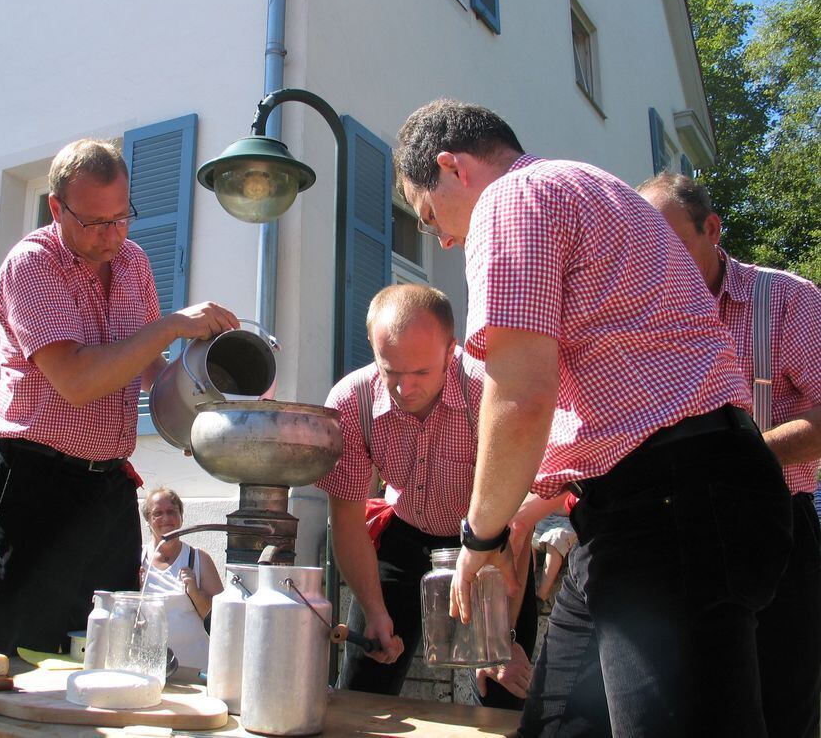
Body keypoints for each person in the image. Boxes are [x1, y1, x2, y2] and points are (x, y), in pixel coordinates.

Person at [395, 99, 792, 736]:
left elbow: (521, 397)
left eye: (427, 212)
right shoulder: (596, 186)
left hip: (673, 506)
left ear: (452, 168)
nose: (439, 236)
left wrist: (481, 538)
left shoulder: (512, 200)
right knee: (554, 725)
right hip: (656, 503)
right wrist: (528, 507)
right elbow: (606, 391)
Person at [0, 138, 238, 656]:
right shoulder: (31, 265)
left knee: (111, 647)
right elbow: (77, 381)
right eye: (96, 223)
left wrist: (196, 414)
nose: (112, 236)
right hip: (36, 480)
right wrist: (169, 326)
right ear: (56, 208)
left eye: (122, 218)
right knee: (31, 652)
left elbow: (147, 367)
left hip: (109, 488)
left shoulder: (133, 262)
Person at [638, 173, 821, 738]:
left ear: (712, 229)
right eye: (648, 252)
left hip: (778, 528)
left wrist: (728, 457)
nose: (660, 266)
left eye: (672, 247)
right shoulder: (642, 316)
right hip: (672, 535)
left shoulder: (787, 300)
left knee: (783, 705)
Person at [316, 283, 537, 709]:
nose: (404, 390)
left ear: (451, 350)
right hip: (406, 535)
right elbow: (346, 522)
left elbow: (519, 522)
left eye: (421, 373)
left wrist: (500, 636)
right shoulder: (351, 401)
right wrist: (375, 612)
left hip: (491, 542)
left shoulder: (487, 391)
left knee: (503, 685)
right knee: (365, 681)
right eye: (391, 372)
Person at [139, 487, 223, 671]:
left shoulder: (199, 559)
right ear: (148, 520)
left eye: (172, 511)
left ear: (181, 517)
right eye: (157, 513)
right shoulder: (137, 558)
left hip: (194, 669)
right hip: (146, 668)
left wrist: (195, 593)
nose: (166, 518)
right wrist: (134, 590)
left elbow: (221, 620)